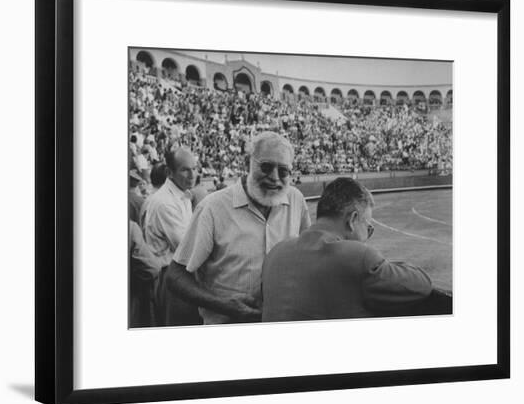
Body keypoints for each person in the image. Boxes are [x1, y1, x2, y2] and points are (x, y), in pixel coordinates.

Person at [166, 132, 311, 324]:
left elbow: (307, 257)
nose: (275, 178)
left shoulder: (296, 200)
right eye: (266, 167)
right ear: (247, 163)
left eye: (283, 171)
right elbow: (176, 275)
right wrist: (223, 305)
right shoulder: (212, 208)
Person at [261, 177, 433, 322]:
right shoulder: (359, 259)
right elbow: (422, 284)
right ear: (353, 219)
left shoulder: (275, 253)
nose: (367, 236)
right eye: (368, 228)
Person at [142, 148, 201, 326]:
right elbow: (187, 247)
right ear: (170, 172)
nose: (192, 175)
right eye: (185, 170)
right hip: (170, 277)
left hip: (180, 275)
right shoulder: (164, 203)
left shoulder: (182, 195)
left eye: (195, 168)